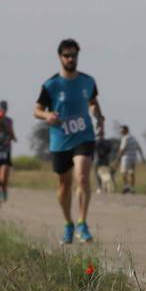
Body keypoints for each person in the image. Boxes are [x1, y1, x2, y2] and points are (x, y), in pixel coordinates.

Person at [34, 39, 104, 244]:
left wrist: (98, 116)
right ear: (60, 57)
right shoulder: (51, 85)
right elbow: (36, 109)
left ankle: (82, 223)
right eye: (67, 55)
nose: (70, 59)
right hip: (60, 139)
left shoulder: (88, 81)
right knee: (64, 184)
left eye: (74, 55)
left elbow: (92, 102)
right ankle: (68, 223)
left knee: (82, 176)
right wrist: (46, 116)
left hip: (84, 135)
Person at [115, 125, 145, 193]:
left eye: (122, 130)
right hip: (134, 157)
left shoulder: (125, 138)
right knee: (132, 173)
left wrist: (117, 159)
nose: (121, 132)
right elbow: (139, 147)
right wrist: (142, 157)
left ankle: (126, 186)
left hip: (126, 157)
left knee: (123, 172)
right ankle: (132, 188)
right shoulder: (133, 138)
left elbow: (122, 149)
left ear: (126, 130)